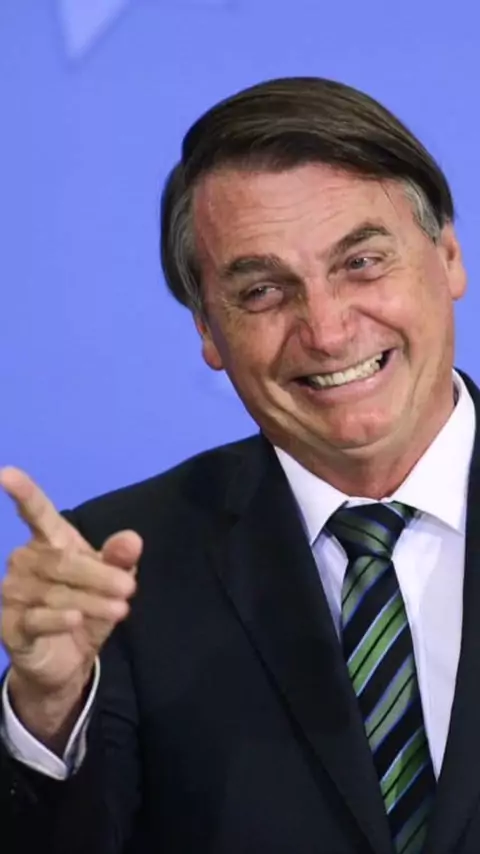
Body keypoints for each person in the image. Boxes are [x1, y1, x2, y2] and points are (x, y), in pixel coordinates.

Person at [0, 75, 478, 854]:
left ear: (449, 257)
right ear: (208, 332)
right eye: (262, 292)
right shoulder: (119, 570)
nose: (327, 331)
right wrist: (47, 713)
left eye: (361, 263)